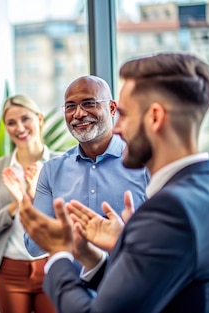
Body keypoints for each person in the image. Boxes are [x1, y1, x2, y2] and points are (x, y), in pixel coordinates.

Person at [20, 52, 209, 312]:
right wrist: (113, 247)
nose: (119, 129)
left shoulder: (169, 210)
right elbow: (148, 289)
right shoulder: (205, 188)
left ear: (154, 117)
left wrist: (59, 254)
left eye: (123, 115)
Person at [25, 75, 150, 263]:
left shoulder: (145, 164)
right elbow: (33, 246)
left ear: (112, 108)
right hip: (75, 288)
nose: (78, 114)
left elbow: (167, 237)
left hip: (132, 283)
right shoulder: (52, 171)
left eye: (88, 103)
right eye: (70, 106)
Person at [0, 95, 58, 313]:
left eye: (25, 119)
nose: (19, 128)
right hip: (9, 271)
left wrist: (34, 195)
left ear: (40, 119)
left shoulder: (60, 163)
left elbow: (67, 221)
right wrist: (16, 203)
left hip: (52, 265)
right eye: (11, 123)